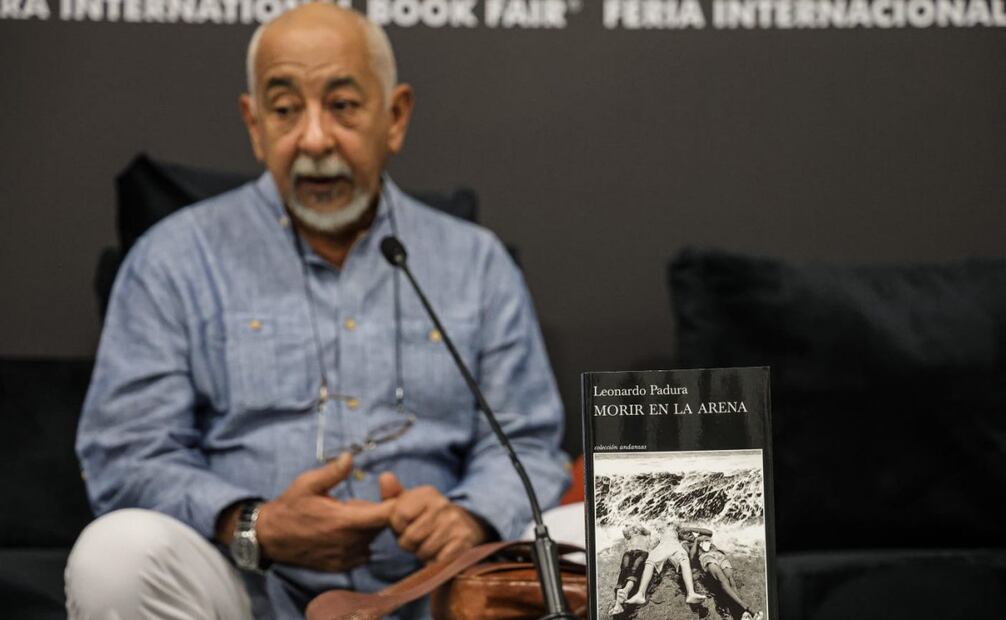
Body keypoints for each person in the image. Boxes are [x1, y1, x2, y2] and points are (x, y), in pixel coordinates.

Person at [64, 4, 568, 619]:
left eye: (343, 105)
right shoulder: (174, 258)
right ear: (254, 125)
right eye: (283, 110)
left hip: (436, 590)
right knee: (115, 553)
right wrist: (254, 522)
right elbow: (128, 450)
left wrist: (468, 517)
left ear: (396, 116)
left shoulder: (475, 263)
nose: (314, 139)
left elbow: (526, 439)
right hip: (246, 584)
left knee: (618, 537)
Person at [624, 522, 707, 607]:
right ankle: (640, 594)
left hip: (675, 545)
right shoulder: (659, 527)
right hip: (663, 546)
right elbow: (652, 539)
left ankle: (691, 593)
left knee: (684, 560)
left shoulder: (677, 527)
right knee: (650, 561)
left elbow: (685, 532)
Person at [689, 533, 764, 620]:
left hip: (719, 556)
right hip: (707, 557)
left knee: (731, 581)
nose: (690, 534)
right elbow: (691, 557)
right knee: (723, 580)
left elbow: (709, 532)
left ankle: (742, 615)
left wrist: (695, 533)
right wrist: (696, 541)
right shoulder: (692, 544)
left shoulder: (707, 540)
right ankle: (748, 609)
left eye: (691, 534)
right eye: (687, 534)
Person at [608, 523, 652, 615]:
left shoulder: (646, 535)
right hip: (629, 552)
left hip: (642, 552)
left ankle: (625, 591)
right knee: (623, 571)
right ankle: (618, 605)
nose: (635, 530)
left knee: (634, 569)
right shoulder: (630, 536)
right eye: (634, 530)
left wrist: (637, 525)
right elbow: (625, 533)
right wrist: (628, 526)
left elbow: (646, 530)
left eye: (637, 529)